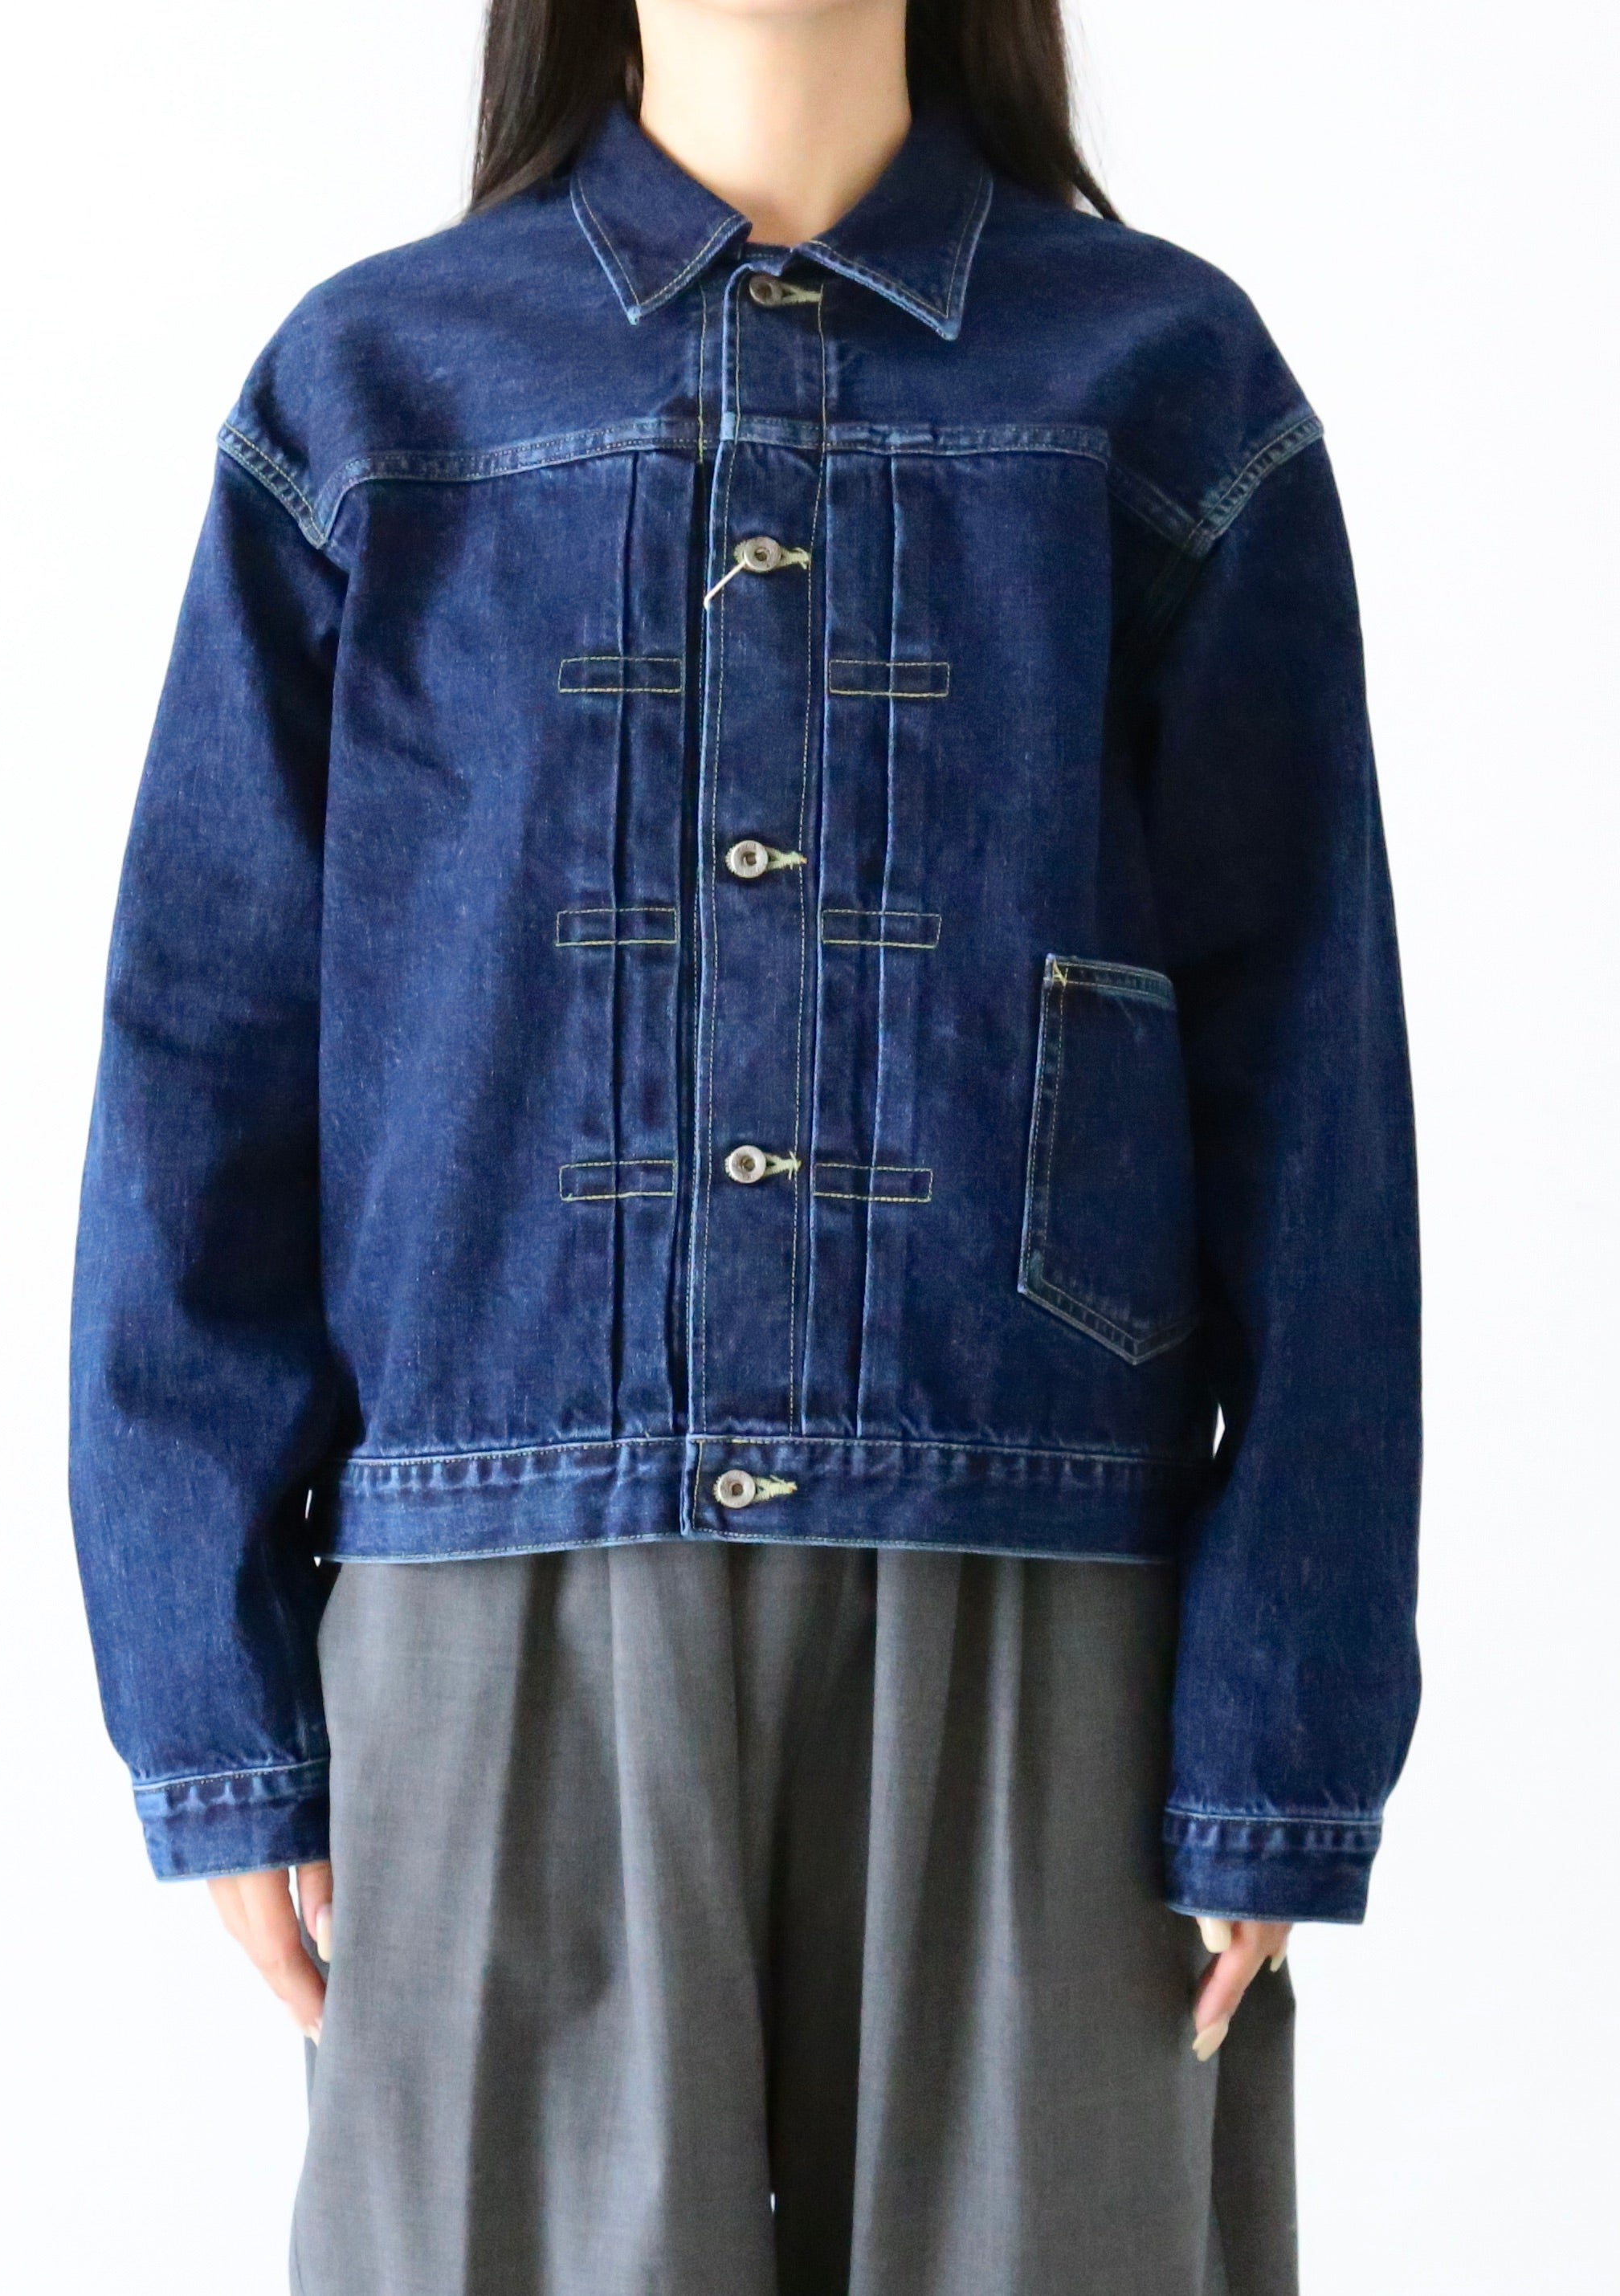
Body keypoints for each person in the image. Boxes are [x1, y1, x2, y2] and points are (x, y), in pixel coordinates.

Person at [69, 0, 1421, 2287]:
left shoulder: (1164, 385)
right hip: (495, 1594)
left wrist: (1284, 1719)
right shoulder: (375, 397)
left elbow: (1313, 1083)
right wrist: (214, 1699)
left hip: (1050, 1610)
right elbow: (204, 1059)